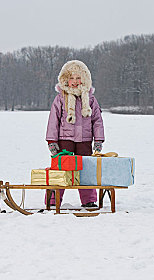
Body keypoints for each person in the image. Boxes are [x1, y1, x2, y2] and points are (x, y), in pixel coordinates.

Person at [45, 60, 105, 207]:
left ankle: (89, 200)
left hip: (84, 141)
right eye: (72, 78)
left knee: (86, 170)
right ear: (66, 80)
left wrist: (98, 139)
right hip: (65, 140)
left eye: (79, 78)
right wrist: (51, 141)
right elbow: (53, 119)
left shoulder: (90, 99)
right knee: (61, 170)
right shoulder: (61, 98)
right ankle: (53, 201)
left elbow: (97, 120)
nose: (75, 82)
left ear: (84, 79)